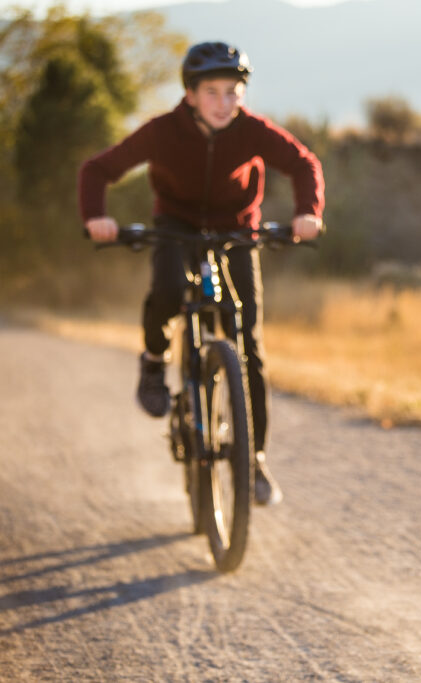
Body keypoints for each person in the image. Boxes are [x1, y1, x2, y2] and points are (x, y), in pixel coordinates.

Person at [78, 41, 325, 506]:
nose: (224, 102)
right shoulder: (162, 132)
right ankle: (154, 362)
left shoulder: (250, 130)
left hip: (236, 228)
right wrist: (97, 217)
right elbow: (98, 169)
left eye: (233, 92)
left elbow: (303, 164)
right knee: (169, 292)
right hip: (177, 223)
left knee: (247, 344)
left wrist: (307, 212)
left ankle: (253, 460)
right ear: (190, 94)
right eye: (212, 92)